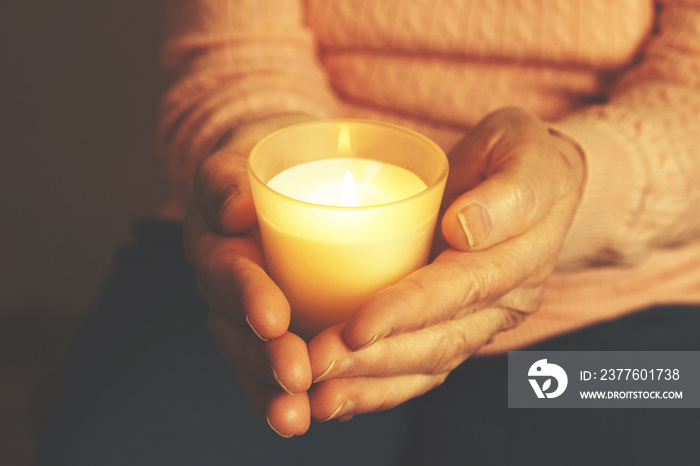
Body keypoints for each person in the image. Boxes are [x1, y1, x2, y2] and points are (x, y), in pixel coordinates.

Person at [39, 1, 700, 465]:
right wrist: (257, 150)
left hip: (617, 309)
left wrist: (574, 188)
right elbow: (234, 52)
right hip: (261, 287)